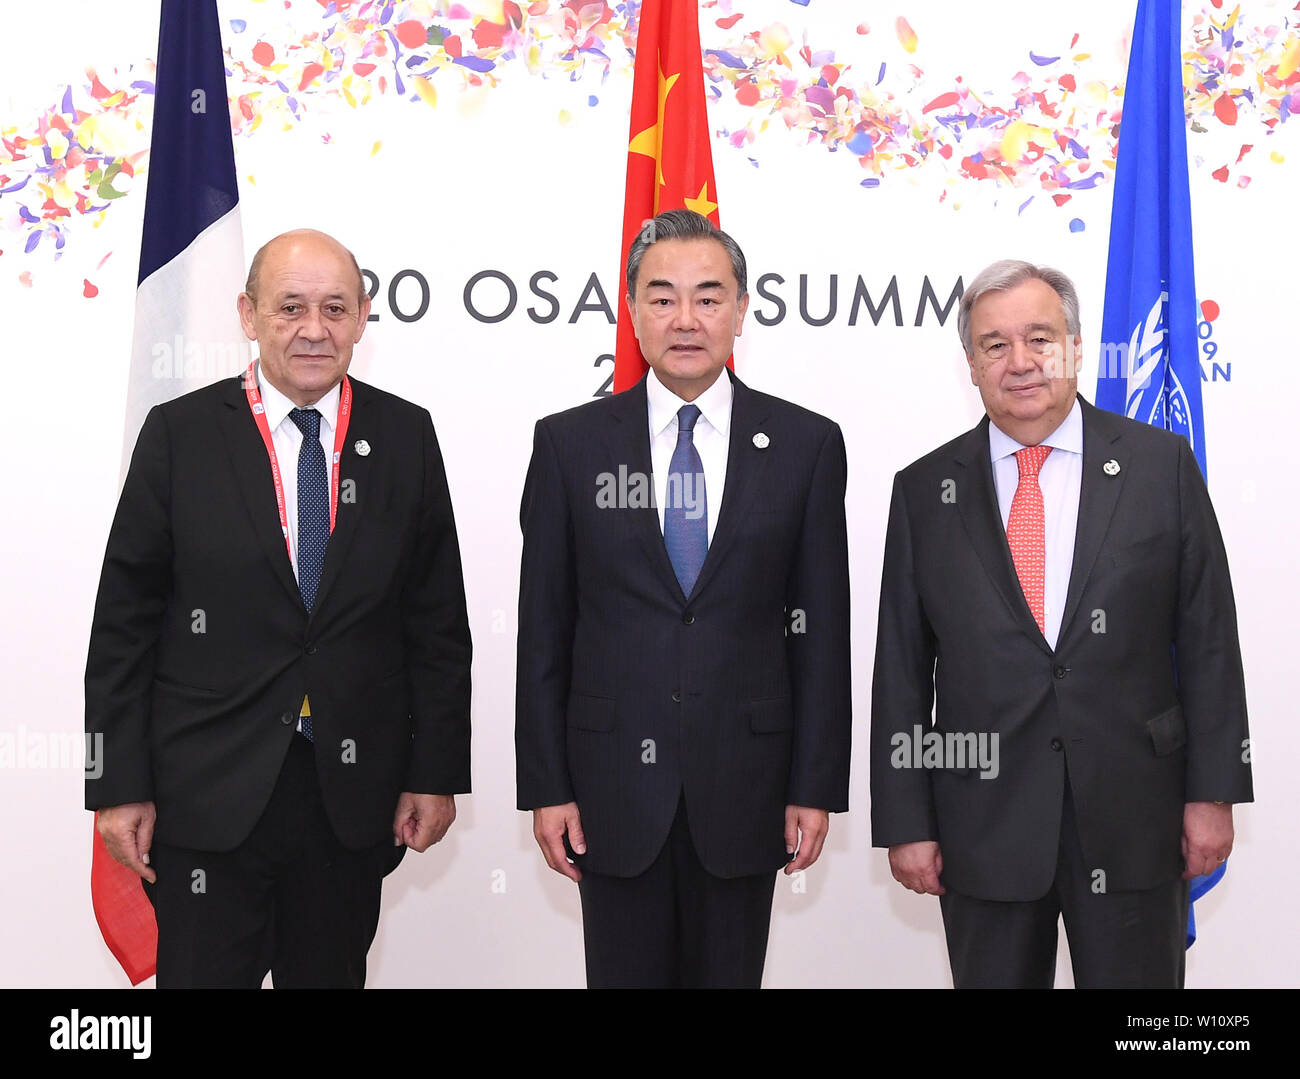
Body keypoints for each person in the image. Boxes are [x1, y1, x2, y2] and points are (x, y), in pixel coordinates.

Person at [85, 228, 472, 988]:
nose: (313, 329)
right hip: (207, 795)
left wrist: (435, 770)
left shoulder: (405, 436)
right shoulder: (180, 435)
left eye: (335, 307)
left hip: (348, 796)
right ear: (248, 314)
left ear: (363, 315)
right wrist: (117, 782)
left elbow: (436, 625)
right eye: (290, 306)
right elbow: (123, 626)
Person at [870, 259, 1253, 988]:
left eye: (1040, 338)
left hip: (1137, 816)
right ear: (972, 365)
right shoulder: (924, 490)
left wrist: (1213, 792)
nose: (1020, 362)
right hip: (982, 823)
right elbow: (901, 667)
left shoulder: (1158, 465)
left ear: (1075, 347)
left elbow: (1208, 639)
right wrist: (906, 819)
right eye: (994, 344)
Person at [515, 209, 852, 989]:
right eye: (662, 297)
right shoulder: (571, 444)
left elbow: (821, 631)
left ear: (741, 308)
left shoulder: (806, 444)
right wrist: (548, 785)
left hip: (749, 786)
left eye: (708, 296)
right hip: (608, 791)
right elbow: (544, 627)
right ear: (631, 310)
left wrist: (813, 783)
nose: (686, 318)